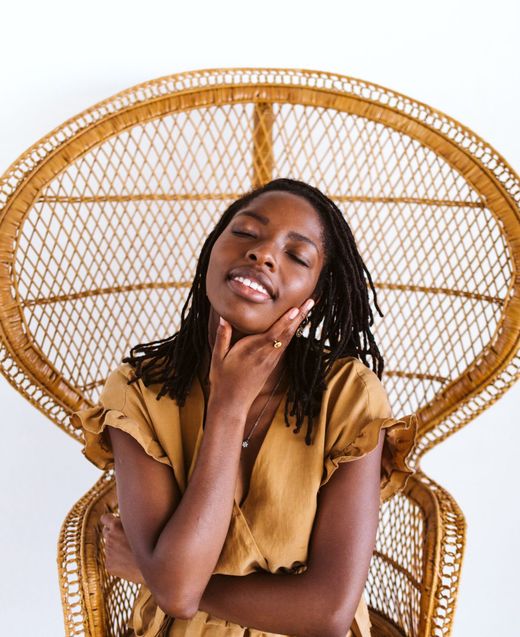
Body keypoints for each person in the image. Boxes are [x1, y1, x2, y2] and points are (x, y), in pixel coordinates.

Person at [72, 178, 417, 637]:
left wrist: (158, 574)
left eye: (297, 256)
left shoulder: (347, 394)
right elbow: (174, 594)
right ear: (211, 251)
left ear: (313, 297)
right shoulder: (139, 390)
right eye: (246, 233)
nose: (264, 254)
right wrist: (229, 407)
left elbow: (328, 613)